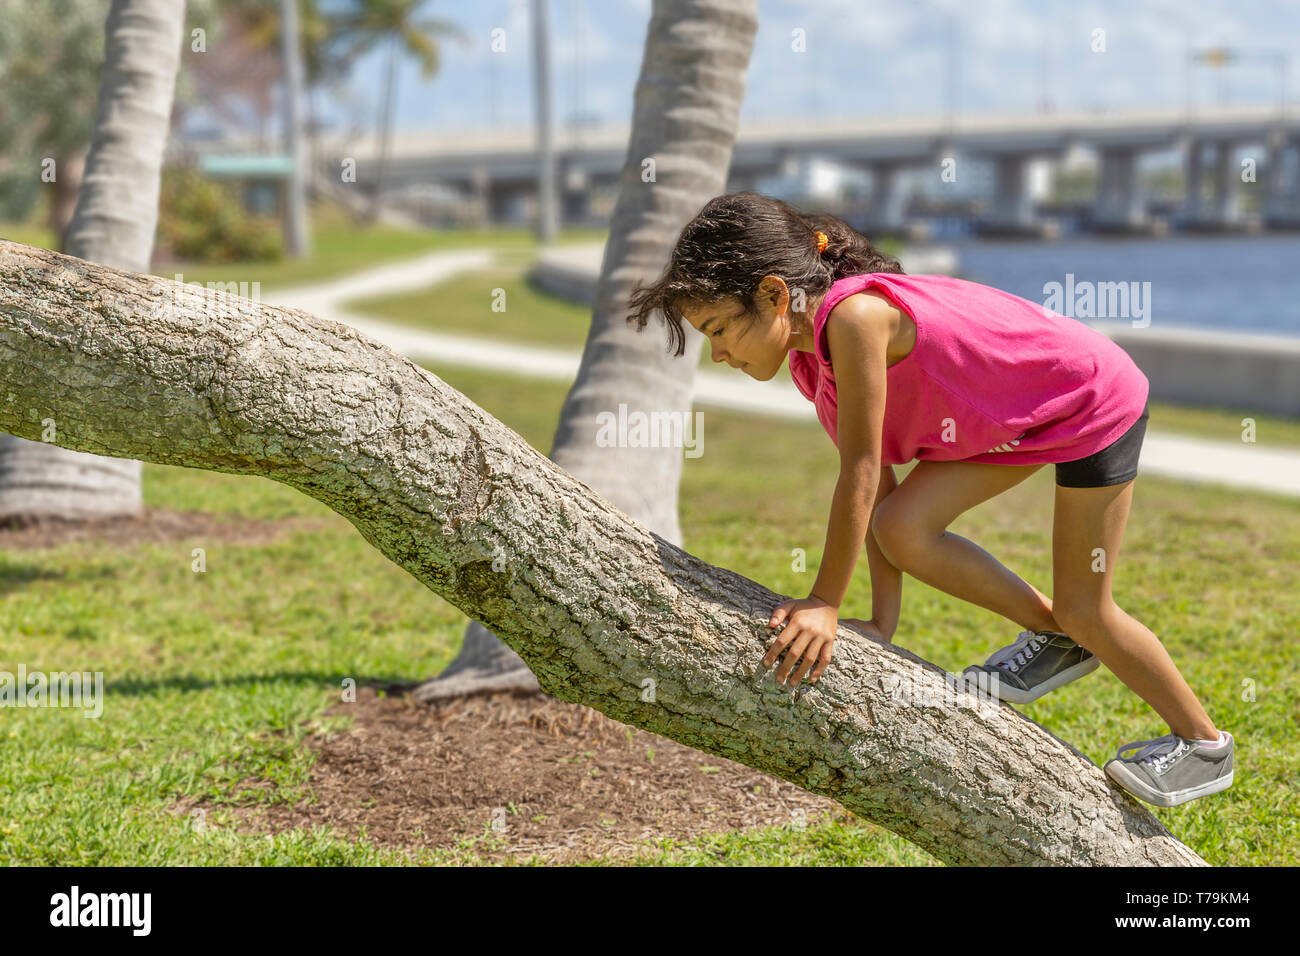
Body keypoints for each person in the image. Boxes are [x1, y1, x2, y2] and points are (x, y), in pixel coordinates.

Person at [626, 191, 1233, 808]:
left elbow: (860, 470)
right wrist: (881, 622)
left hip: (1093, 399)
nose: (719, 353)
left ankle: (1205, 746)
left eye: (720, 329)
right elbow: (878, 482)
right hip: (1023, 418)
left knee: (1086, 607)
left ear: (775, 294)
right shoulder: (812, 360)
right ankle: (1060, 642)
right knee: (904, 527)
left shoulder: (856, 319)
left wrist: (823, 602)